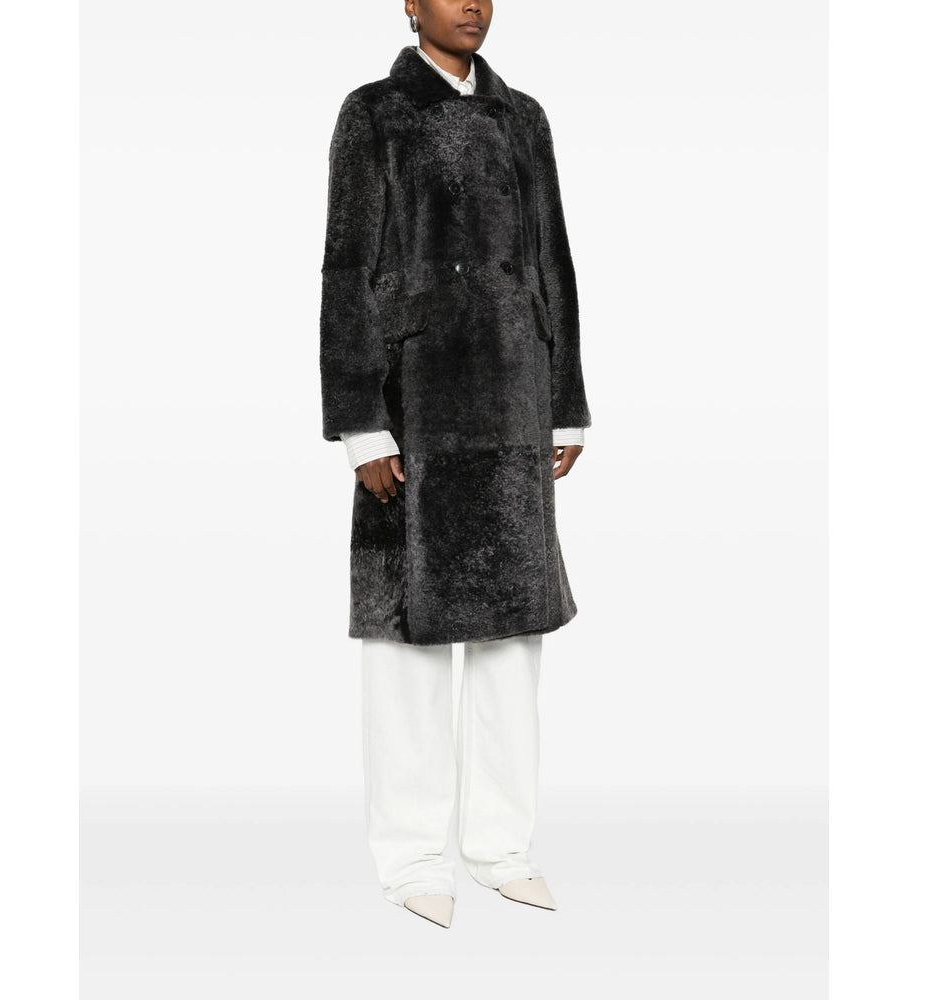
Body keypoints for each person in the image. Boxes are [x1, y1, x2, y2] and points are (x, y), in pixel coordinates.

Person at [319, 1, 592, 928]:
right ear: (409, 3)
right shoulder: (374, 112)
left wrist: (566, 399)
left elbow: (554, 260)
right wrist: (361, 422)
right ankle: (409, 859)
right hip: (417, 406)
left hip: (516, 399)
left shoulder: (524, 116)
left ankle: (502, 847)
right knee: (408, 644)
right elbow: (346, 269)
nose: (472, 4)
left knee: (513, 640)